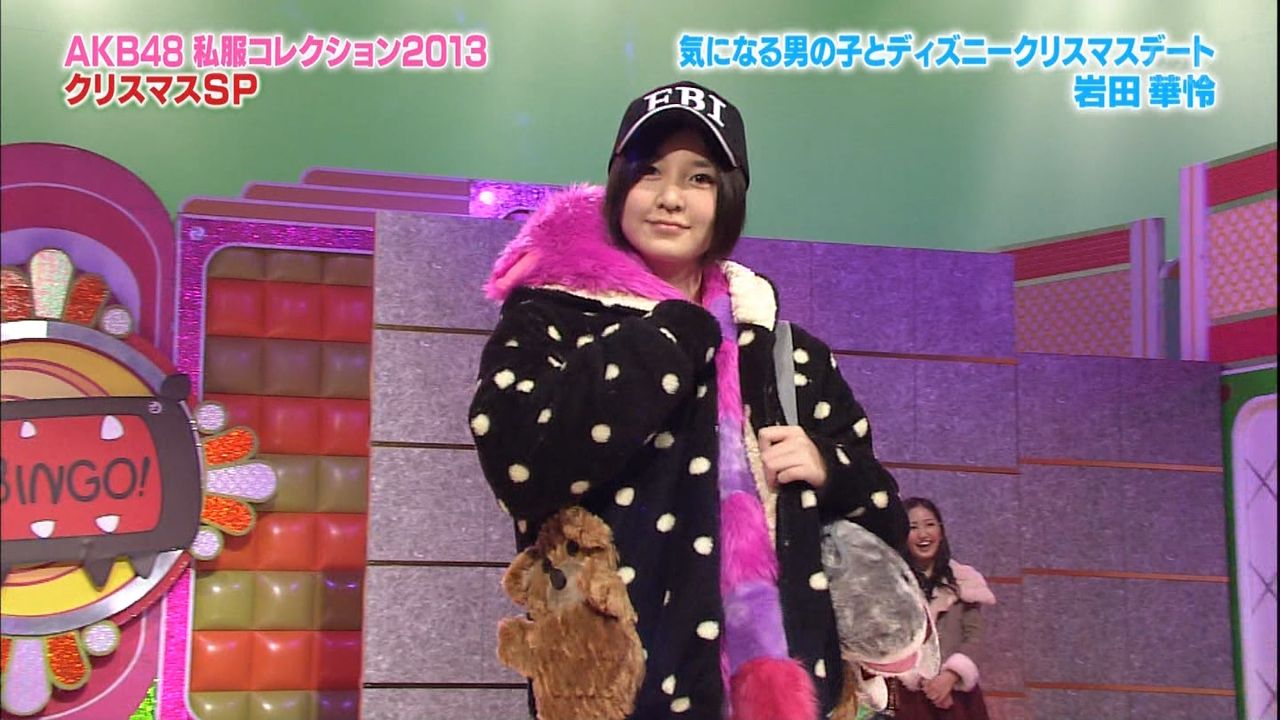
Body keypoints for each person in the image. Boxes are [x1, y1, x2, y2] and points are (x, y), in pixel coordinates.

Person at [469, 80, 907, 720]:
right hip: (623, 690)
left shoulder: (787, 353)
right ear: (619, 185)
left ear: (728, 198)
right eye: (649, 171)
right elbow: (520, 469)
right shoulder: (548, 317)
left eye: (699, 178)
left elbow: (888, 520)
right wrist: (673, 332)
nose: (671, 197)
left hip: (793, 692)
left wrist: (828, 467)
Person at [892, 498, 996, 720]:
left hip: (957, 696)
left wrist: (950, 676)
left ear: (941, 531)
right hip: (908, 698)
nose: (923, 534)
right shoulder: (892, 585)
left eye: (930, 524)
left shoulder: (963, 580)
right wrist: (923, 681)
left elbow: (975, 636)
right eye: (913, 527)